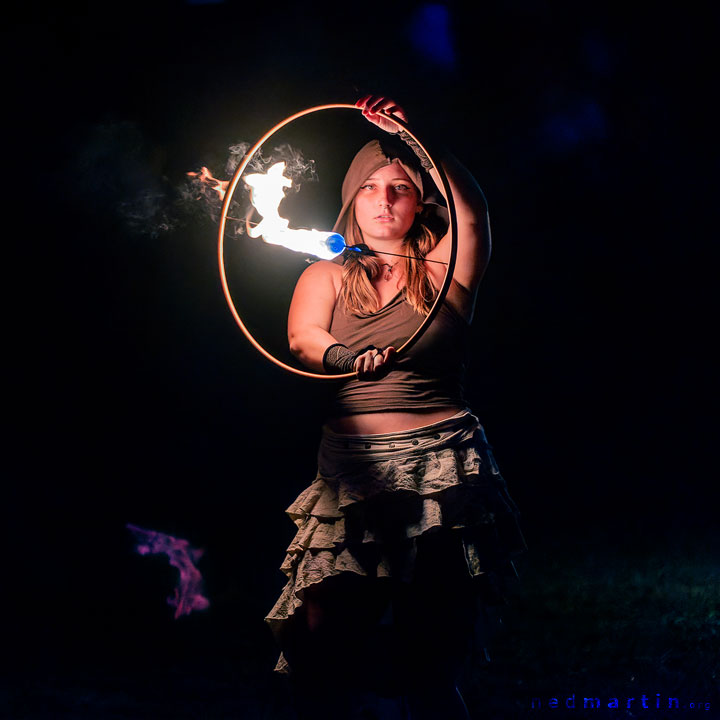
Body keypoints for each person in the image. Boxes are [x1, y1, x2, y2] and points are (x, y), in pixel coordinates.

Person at [264, 96, 527, 720]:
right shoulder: (324, 275)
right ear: (352, 201)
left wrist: (418, 136)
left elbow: (474, 211)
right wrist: (341, 359)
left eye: (401, 188)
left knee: (433, 650)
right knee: (324, 642)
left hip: (443, 467)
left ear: (419, 200)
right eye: (371, 189)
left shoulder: (443, 268)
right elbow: (304, 337)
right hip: (352, 471)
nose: (385, 201)